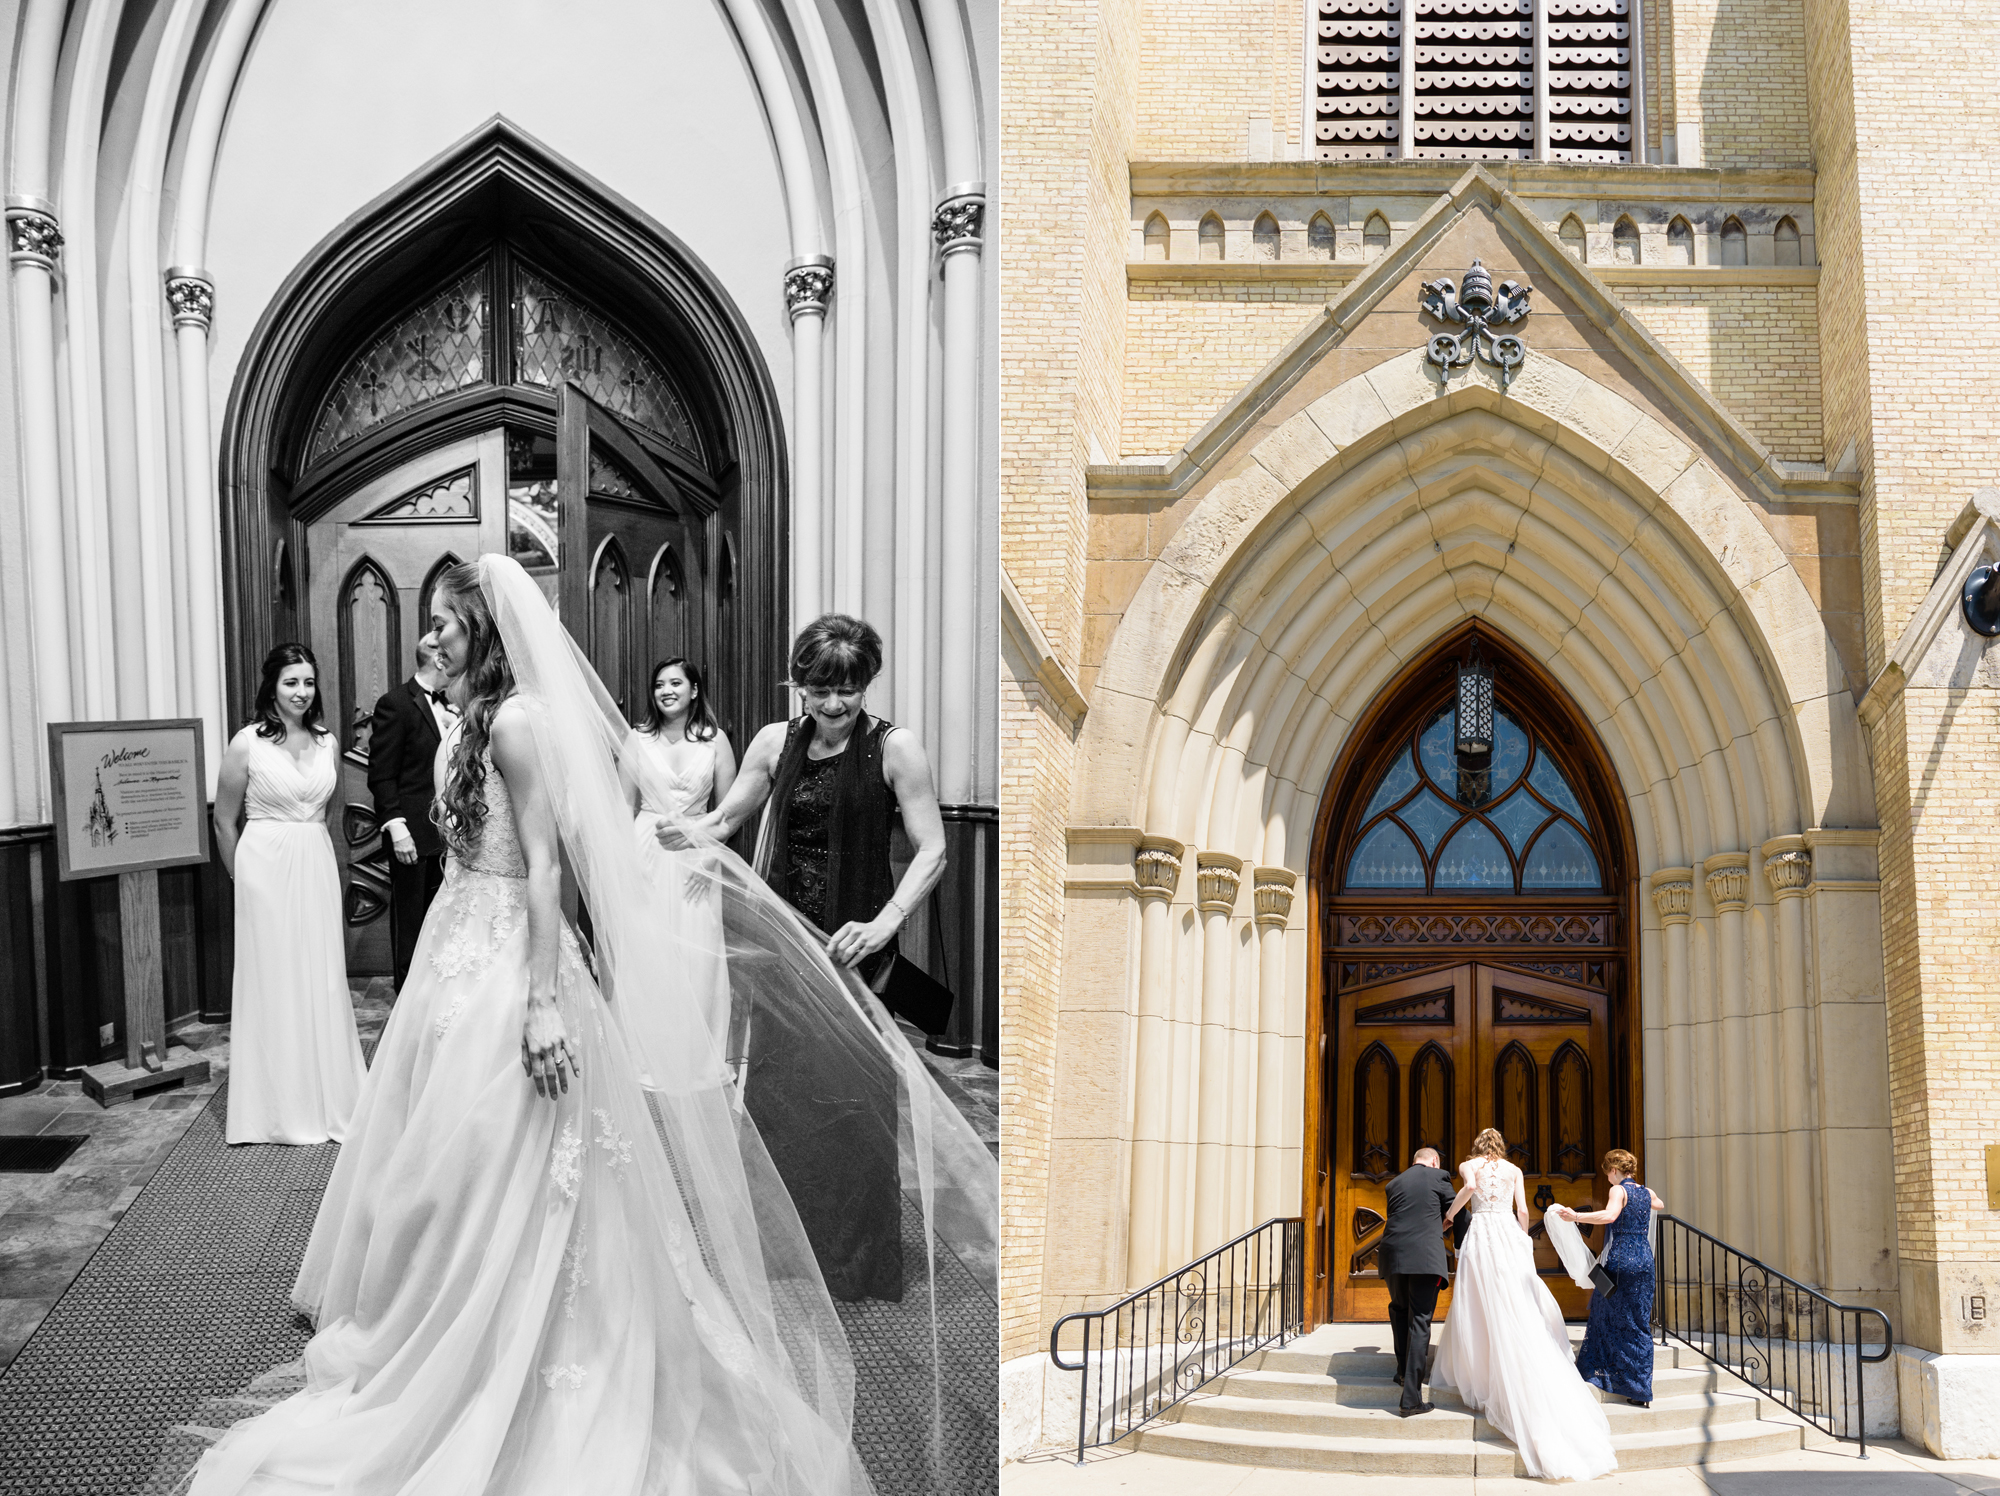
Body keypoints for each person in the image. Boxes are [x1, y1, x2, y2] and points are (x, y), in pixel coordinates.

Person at [185, 557, 996, 1495]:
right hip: (460, 945)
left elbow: (542, 867)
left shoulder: (523, 723)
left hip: (519, 961)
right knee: (447, 1144)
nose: (428, 641)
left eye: (444, 624)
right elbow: (687, 820)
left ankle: (526, 1323)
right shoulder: (477, 719)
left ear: (481, 632)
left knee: (515, 1144)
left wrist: (540, 1000)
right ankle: (435, 1304)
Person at [662, 614, 947, 1302]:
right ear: (799, 685)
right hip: (781, 946)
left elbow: (933, 848)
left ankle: (857, 1263)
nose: (834, 704)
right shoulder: (772, 742)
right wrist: (682, 833)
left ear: (866, 683)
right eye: (820, 690)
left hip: (856, 947)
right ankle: (789, 1252)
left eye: (848, 689)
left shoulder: (894, 747)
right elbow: (728, 818)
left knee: (853, 1099)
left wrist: (885, 924)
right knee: (782, 1093)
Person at [211, 644, 368, 1146]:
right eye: (290, 683)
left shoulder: (326, 742)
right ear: (271, 688)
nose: (301, 692)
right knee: (273, 980)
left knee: (320, 977)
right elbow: (223, 819)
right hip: (264, 866)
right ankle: (275, 1107)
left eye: (308, 682)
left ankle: (326, 1094)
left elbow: (328, 809)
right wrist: (242, 878)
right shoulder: (246, 744)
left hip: (315, 861)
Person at [1431, 1128, 1617, 1481]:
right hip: (1507, 1232)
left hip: (1482, 1232)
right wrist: (1521, 1240)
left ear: (1476, 1147)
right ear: (1500, 1146)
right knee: (1511, 1299)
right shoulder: (1514, 1171)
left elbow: (1470, 1189)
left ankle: (1479, 1369)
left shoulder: (1468, 1164)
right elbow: (1522, 1210)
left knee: (1476, 1300)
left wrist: (1451, 1215)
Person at [619, 658, 736, 1049]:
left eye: (675, 683)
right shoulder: (637, 738)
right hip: (645, 849)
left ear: (694, 690)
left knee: (696, 953)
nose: (666, 690)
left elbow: (729, 811)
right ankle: (645, 1047)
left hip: (697, 853)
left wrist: (712, 857)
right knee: (646, 950)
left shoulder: (715, 739)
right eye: (658, 685)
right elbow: (622, 807)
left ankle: (694, 1049)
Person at [366, 636, 458, 991]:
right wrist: (396, 828)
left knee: (445, 920)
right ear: (438, 658)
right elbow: (381, 774)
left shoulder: (457, 703)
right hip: (412, 837)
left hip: (450, 834)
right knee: (411, 923)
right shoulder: (395, 704)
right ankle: (406, 1000)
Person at [1561, 1149, 1666, 1408]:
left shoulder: (1619, 1190)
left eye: (1607, 1172)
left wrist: (1576, 1216)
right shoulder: (1645, 1191)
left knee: (1606, 1312)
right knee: (1638, 1320)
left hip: (1622, 1260)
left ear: (1614, 1170)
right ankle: (1640, 1387)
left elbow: (1609, 1215)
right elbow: (1659, 1204)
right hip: (1644, 1260)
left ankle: (1599, 1372)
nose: (1608, 1177)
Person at [1378, 1145, 1455, 1416]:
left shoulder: (1394, 1183)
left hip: (1392, 1256)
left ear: (1414, 1162)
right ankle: (1410, 1399)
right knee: (1419, 1320)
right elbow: (1455, 1211)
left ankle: (1402, 1373)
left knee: (1400, 1311)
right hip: (1423, 1258)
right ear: (1434, 1161)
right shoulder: (1439, 1176)